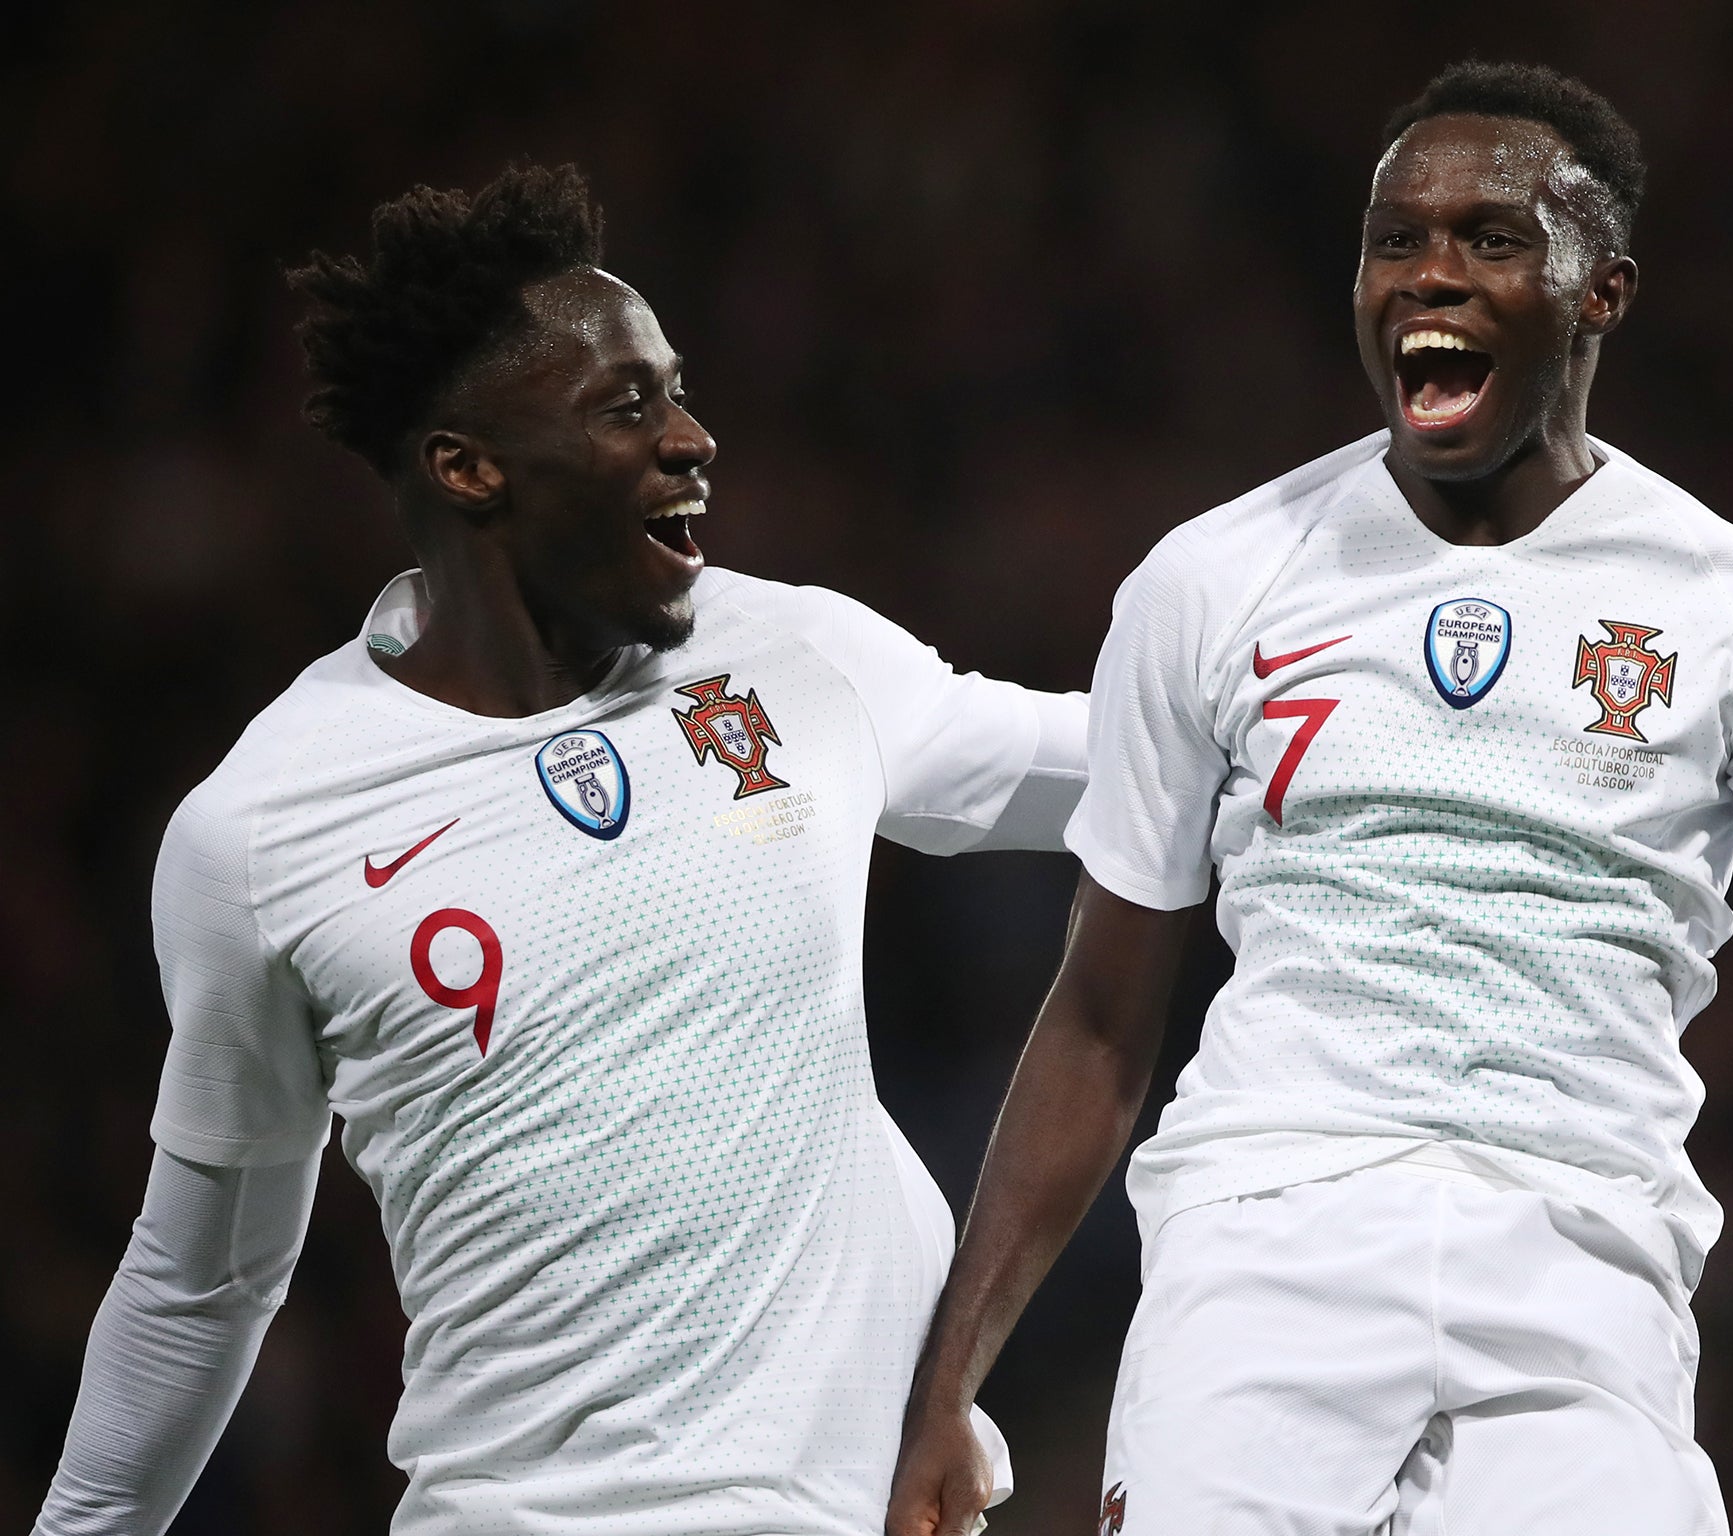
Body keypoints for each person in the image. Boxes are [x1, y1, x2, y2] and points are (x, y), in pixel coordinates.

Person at [888, 61, 1733, 1536]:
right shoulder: (1215, 579)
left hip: (1587, 1253)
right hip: (1268, 1242)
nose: (1429, 273)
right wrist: (951, 1385)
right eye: (1395, 239)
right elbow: (1096, 1019)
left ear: (1604, 291)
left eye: (1494, 239)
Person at [33, 163, 1084, 1536]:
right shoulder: (265, 829)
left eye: (680, 387)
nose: (695, 437)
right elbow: (203, 1279)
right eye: (627, 405)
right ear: (468, 467)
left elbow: (1109, 760)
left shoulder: (789, 652)